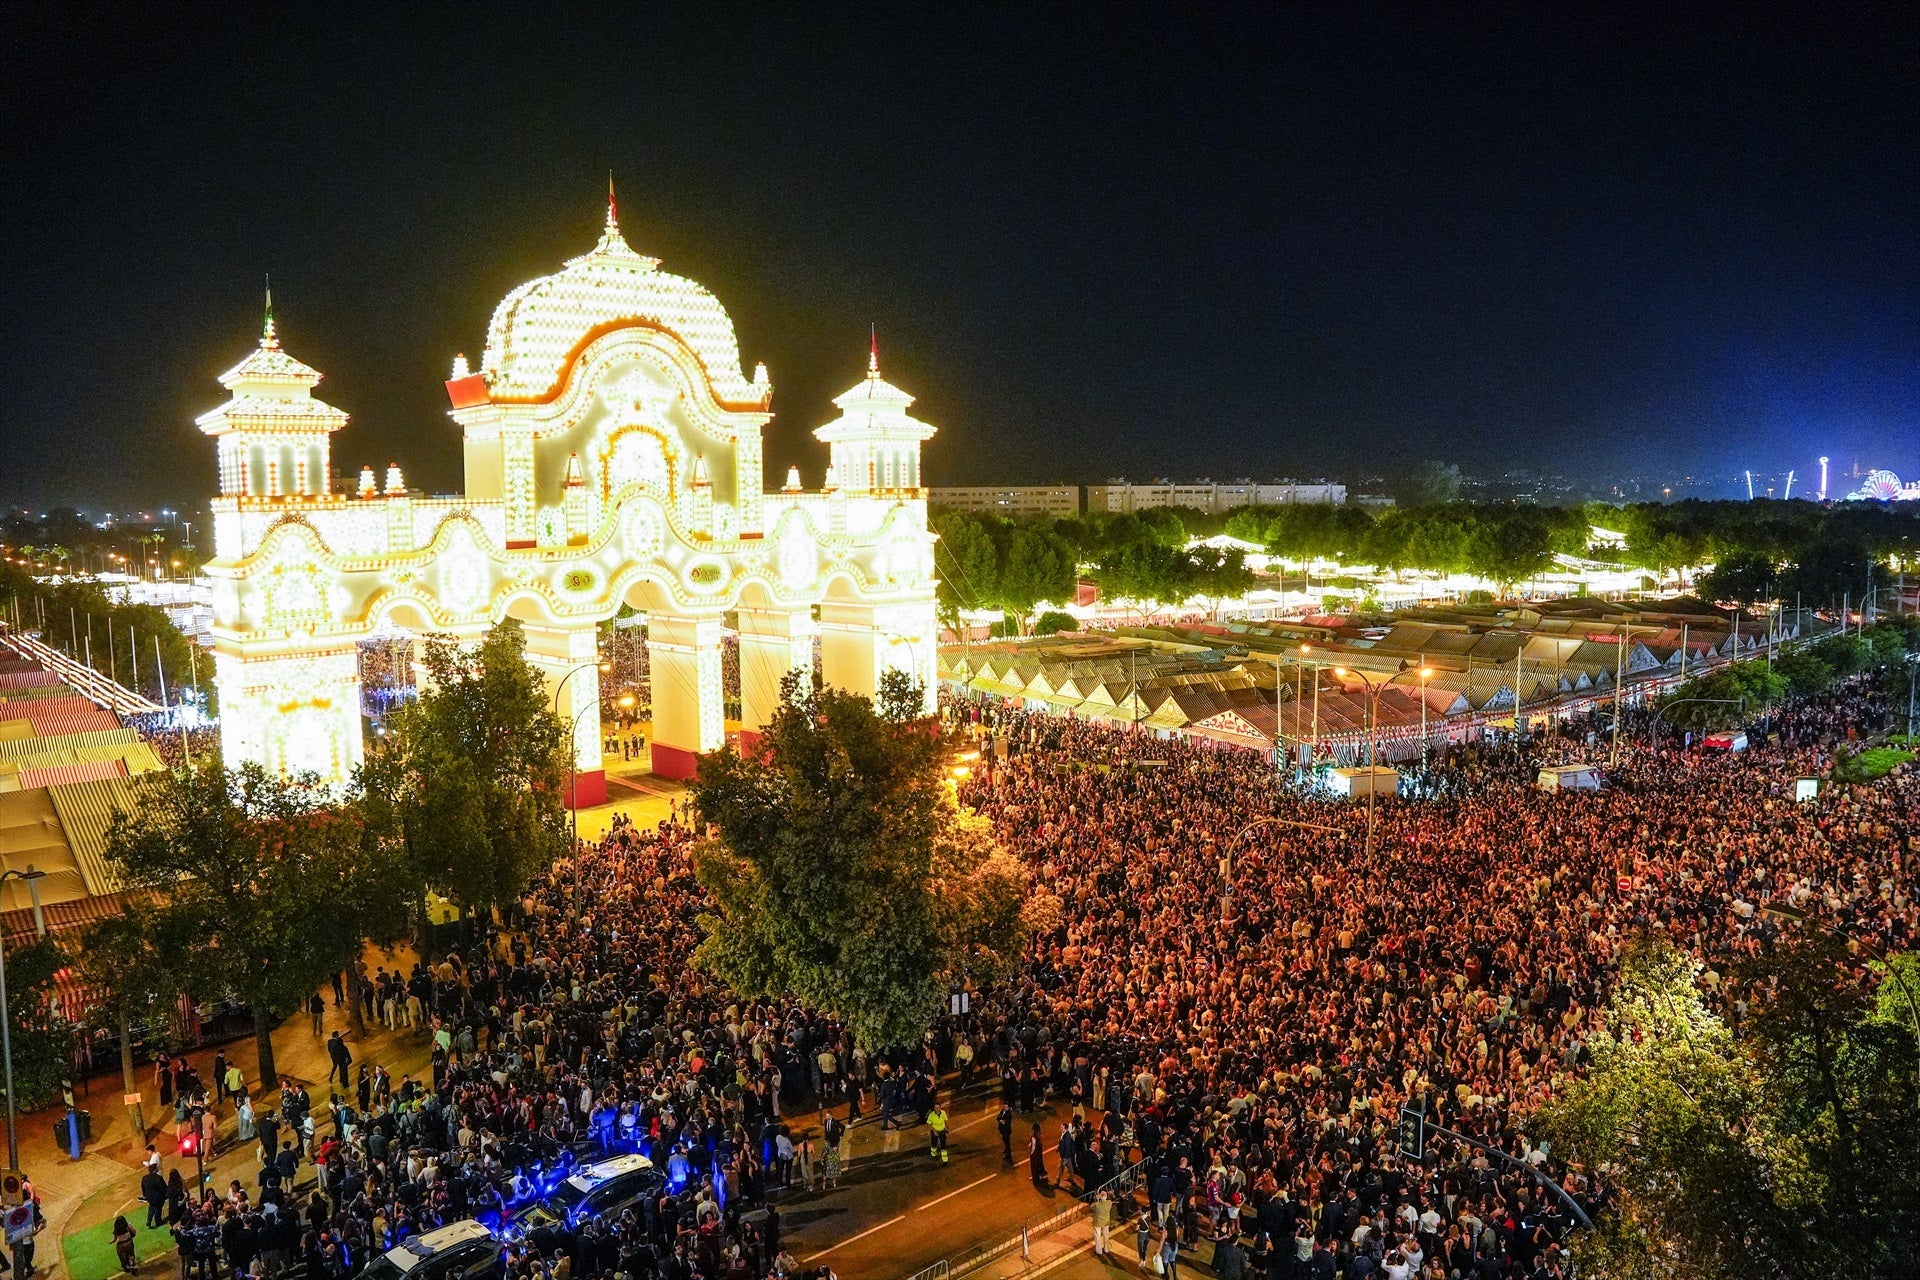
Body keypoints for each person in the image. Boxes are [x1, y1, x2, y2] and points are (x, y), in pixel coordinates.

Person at [926, 1100, 948, 1164]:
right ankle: (933, 1155)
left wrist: (947, 1128)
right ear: (934, 1108)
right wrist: (933, 1131)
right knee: (934, 1144)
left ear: (940, 1107)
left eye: (938, 1107)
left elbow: (945, 1120)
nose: (937, 1109)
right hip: (935, 1131)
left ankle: (945, 1160)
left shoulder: (943, 1113)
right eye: (936, 1107)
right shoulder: (931, 1115)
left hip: (942, 1131)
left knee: (943, 1146)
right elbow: (929, 1124)